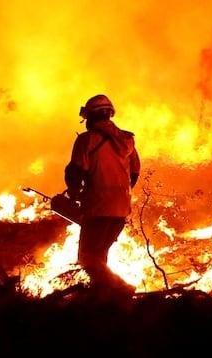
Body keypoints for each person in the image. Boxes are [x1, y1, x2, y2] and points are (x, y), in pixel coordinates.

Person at [64, 94, 140, 291]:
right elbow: (134, 173)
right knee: (99, 258)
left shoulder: (86, 140)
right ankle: (103, 297)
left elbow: (76, 172)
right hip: (121, 212)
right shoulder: (127, 140)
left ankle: (121, 290)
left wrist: (75, 194)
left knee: (88, 258)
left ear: (90, 116)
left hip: (98, 209)